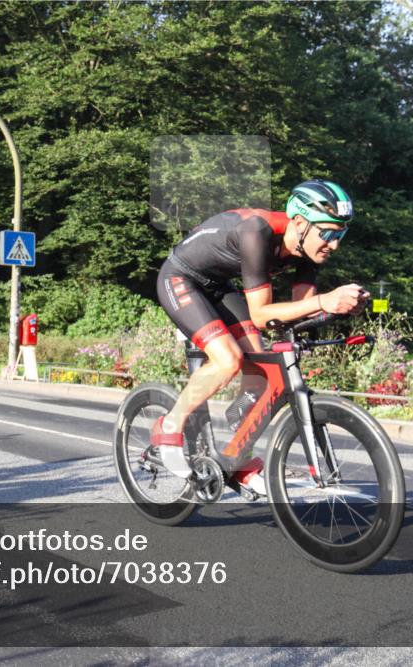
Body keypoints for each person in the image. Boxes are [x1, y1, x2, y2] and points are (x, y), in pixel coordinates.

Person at [153, 179, 370, 496]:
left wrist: (340, 308)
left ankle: (235, 457)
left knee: (263, 375)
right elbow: (260, 314)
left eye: (340, 234)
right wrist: (324, 300)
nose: (334, 244)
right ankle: (170, 424)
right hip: (181, 278)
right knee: (228, 361)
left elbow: (298, 311)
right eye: (328, 233)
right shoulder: (258, 231)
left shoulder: (310, 251)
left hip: (220, 287)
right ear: (299, 223)